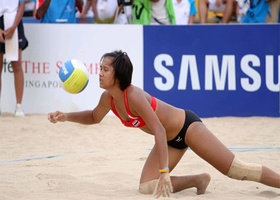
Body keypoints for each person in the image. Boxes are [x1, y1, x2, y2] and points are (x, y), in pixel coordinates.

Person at [48, 50, 280, 198]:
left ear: (117, 75)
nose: (99, 73)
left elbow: (158, 129)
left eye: (104, 69)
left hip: (187, 129)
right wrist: (65, 116)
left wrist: (164, 172)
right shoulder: (108, 98)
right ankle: (198, 180)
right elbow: (93, 117)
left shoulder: (134, 95)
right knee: (147, 186)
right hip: (169, 140)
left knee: (238, 171)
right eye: (99, 68)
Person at [0, 0, 29, 117]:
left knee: (17, 66)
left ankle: (19, 106)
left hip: (14, 20)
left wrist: (13, 27)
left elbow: (21, 6)